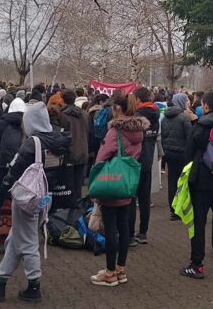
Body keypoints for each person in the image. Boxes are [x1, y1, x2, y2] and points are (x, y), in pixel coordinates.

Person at [0, 102, 68, 303]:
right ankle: (0, 282)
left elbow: (15, 169)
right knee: (14, 239)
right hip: (45, 196)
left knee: (27, 242)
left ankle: (33, 285)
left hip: (27, 197)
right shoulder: (57, 141)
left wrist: (4, 187)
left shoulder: (32, 143)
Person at [89, 95, 147, 286]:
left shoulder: (115, 131)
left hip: (111, 183)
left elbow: (102, 156)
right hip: (128, 183)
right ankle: (120, 269)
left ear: (118, 109)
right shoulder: (139, 130)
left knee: (111, 229)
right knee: (124, 227)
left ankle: (109, 272)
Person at [180, 91, 213, 279]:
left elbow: (188, 154)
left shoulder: (200, 126)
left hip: (201, 182)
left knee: (198, 224)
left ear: (205, 105)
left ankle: (197, 264)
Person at [129, 87, 160, 246]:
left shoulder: (138, 116)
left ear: (138, 99)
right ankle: (143, 232)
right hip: (148, 160)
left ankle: (130, 234)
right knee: (145, 198)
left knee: (131, 199)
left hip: (136, 161)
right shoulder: (156, 114)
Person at [161, 92, 193, 220]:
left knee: (172, 181)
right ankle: (182, 208)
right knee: (183, 182)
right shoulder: (184, 118)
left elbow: (162, 136)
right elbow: (190, 137)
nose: (187, 103)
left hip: (169, 153)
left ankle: (173, 210)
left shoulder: (164, 117)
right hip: (182, 153)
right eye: (186, 101)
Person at [59, 89, 90, 198]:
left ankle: (71, 209)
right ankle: (77, 208)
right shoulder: (85, 114)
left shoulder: (63, 115)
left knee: (69, 186)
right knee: (78, 185)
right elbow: (88, 132)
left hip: (69, 154)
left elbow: (62, 136)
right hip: (83, 151)